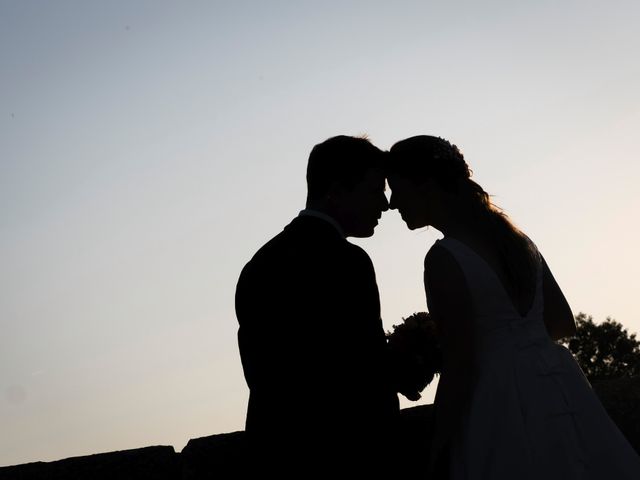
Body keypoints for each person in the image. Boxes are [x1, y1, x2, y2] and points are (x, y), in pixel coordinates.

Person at [386, 135, 640, 479]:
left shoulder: (445, 258)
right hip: (558, 385)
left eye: (396, 189)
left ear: (425, 185)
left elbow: (461, 366)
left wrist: (439, 447)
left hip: (499, 399)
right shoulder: (520, 242)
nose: (391, 203)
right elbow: (563, 322)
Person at [235, 136, 399, 476]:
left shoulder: (259, 264)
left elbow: (260, 372)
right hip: (342, 453)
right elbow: (366, 374)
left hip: (274, 452)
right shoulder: (349, 263)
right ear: (336, 191)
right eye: (374, 191)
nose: (384, 204)